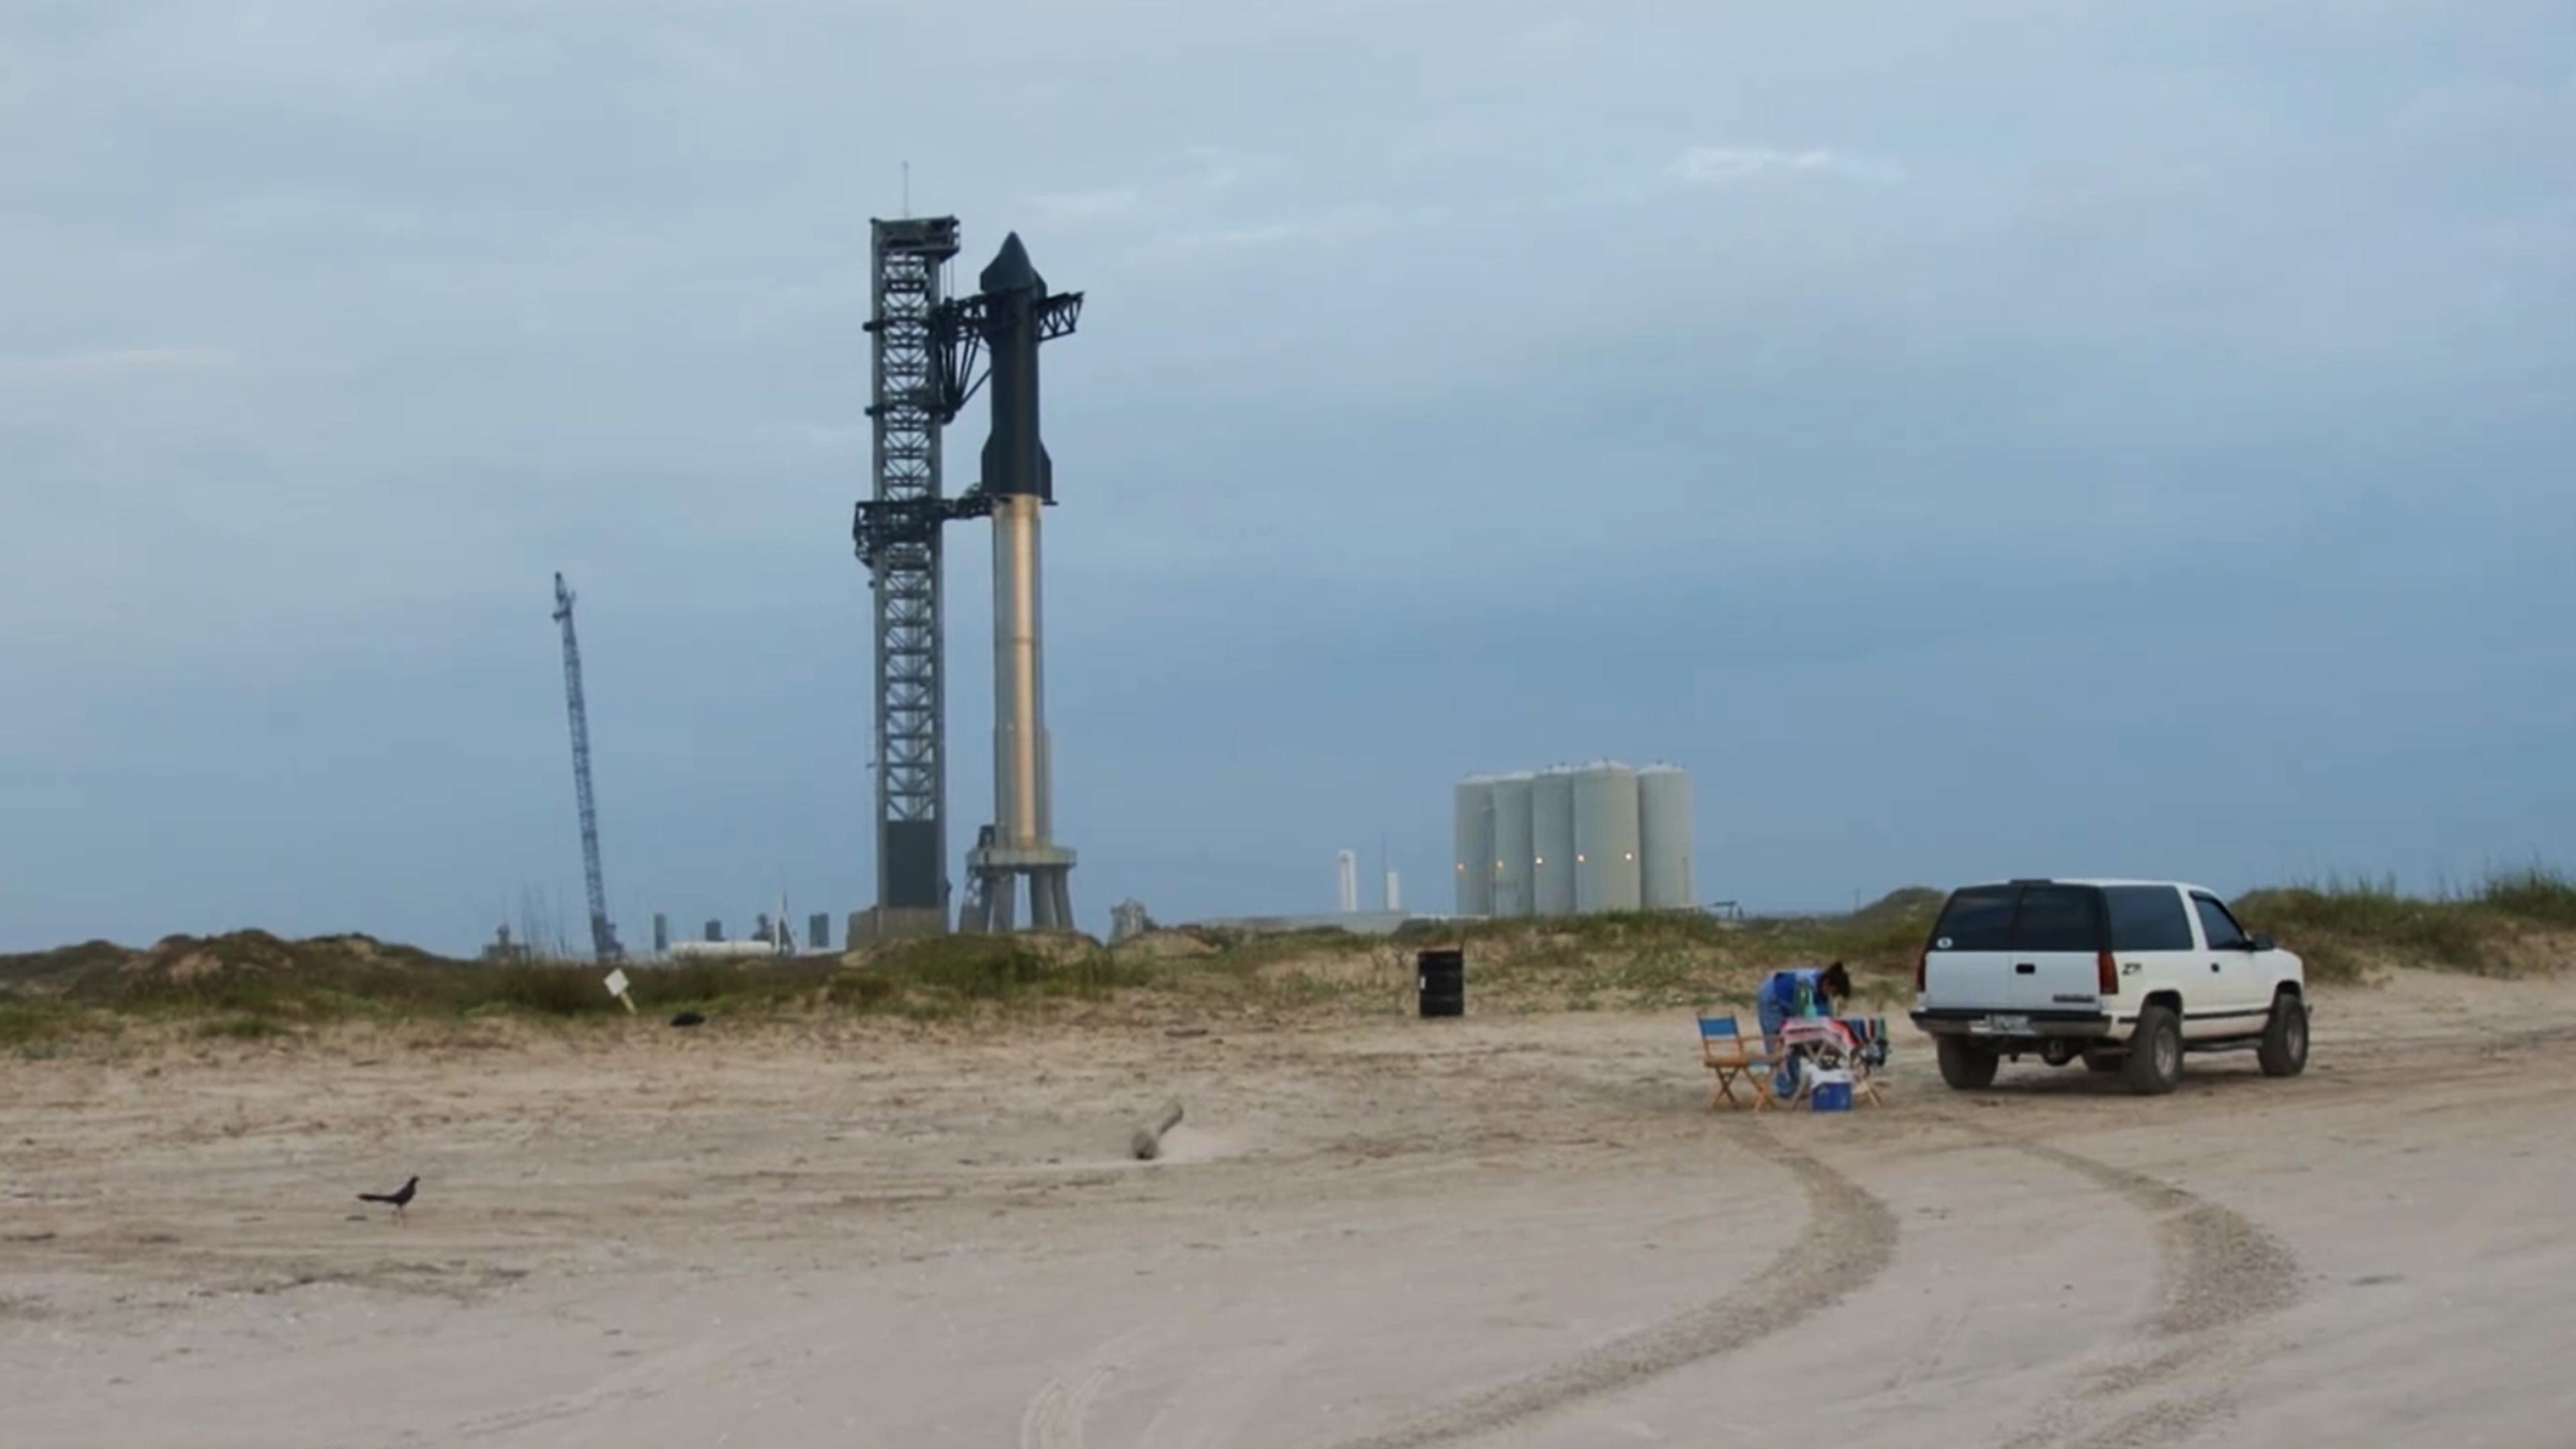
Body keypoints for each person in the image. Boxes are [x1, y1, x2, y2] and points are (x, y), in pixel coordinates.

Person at [1756, 961, 1853, 1097]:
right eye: (1834, 992)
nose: (1833, 996)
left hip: (1788, 1000)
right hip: (1772, 996)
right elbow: (1801, 1013)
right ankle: (1785, 1089)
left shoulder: (1822, 990)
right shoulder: (1805, 983)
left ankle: (1794, 1086)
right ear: (1828, 984)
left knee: (1794, 1043)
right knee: (1778, 1041)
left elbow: (1824, 1017)